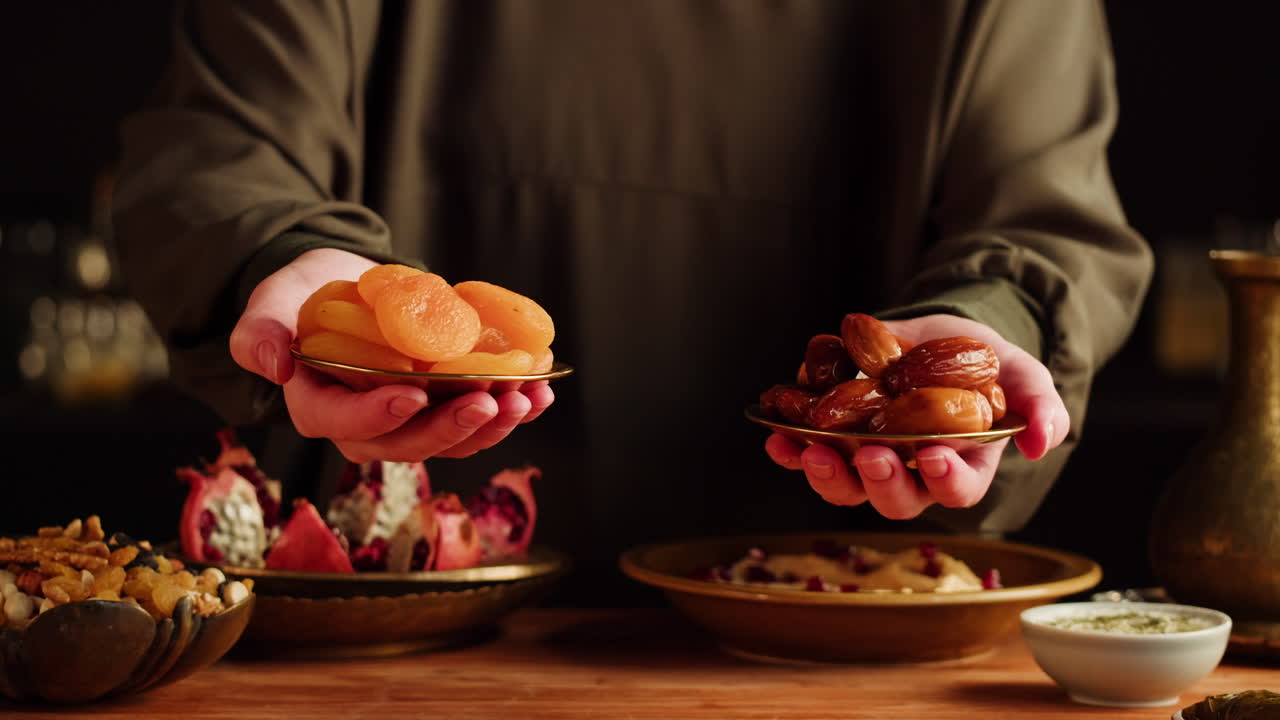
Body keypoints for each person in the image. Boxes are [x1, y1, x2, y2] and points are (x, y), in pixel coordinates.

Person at [112, 0, 1151, 597]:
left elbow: (1038, 211)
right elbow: (221, 150)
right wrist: (291, 260)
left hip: (842, 633)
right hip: (387, 623)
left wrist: (984, 321)